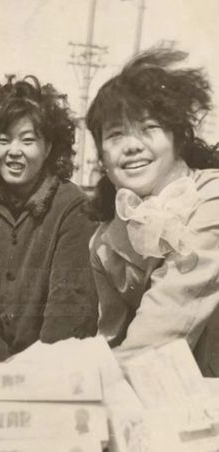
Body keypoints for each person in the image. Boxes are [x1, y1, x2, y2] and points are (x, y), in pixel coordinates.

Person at [87, 47, 219, 376]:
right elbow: (111, 338)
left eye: (148, 127)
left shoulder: (212, 198)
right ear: (102, 157)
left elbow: (169, 316)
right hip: (170, 388)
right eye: (116, 134)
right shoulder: (104, 243)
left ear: (178, 137)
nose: (132, 146)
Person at [0, 76, 98, 362]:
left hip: (48, 367)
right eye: (3, 140)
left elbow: (69, 311)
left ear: (49, 147)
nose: (14, 151)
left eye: (27, 140)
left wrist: (29, 370)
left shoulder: (73, 208)